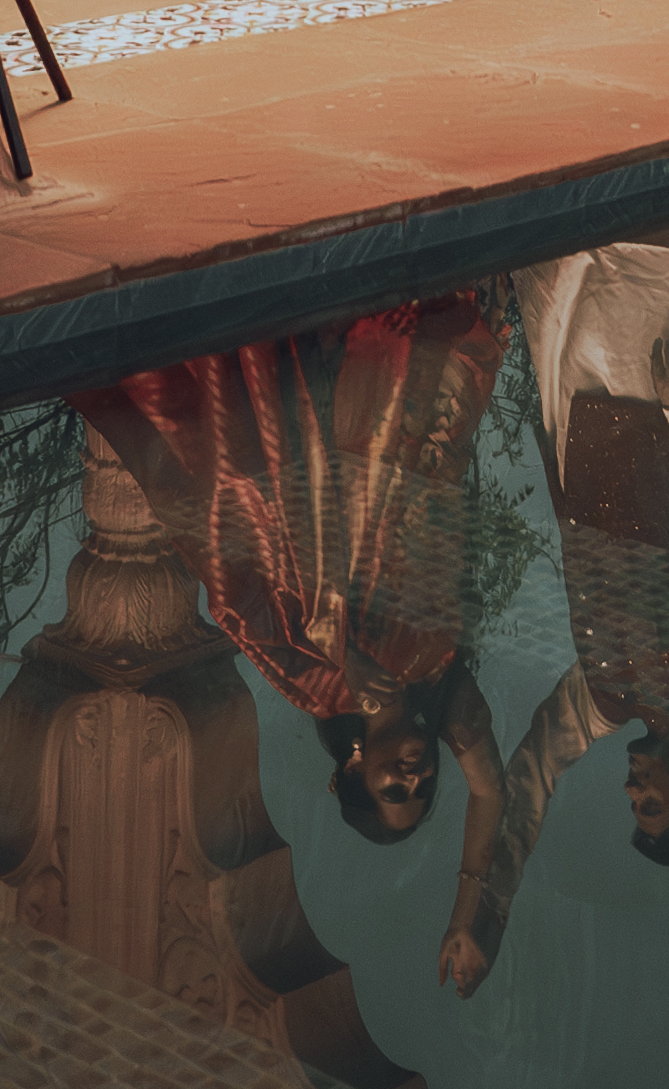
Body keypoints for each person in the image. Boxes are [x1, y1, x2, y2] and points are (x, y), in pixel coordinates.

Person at [98, 293, 531, 987]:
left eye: (395, 786)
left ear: (356, 772)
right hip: (421, 433)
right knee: (439, 304)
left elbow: (238, 604)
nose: (415, 774)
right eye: (423, 786)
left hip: (350, 444)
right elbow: (492, 794)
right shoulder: (444, 693)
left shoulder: (316, 687)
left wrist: (345, 652)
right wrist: (470, 915)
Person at [489, 224, 669, 953]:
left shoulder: (607, 697)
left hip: (574, 429)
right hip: (650, 407)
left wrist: (489, 903)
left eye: (633, 806)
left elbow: (534, 767)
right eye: (651, 804)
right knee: (638, 248)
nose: (632, 792)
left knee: (555, 256)